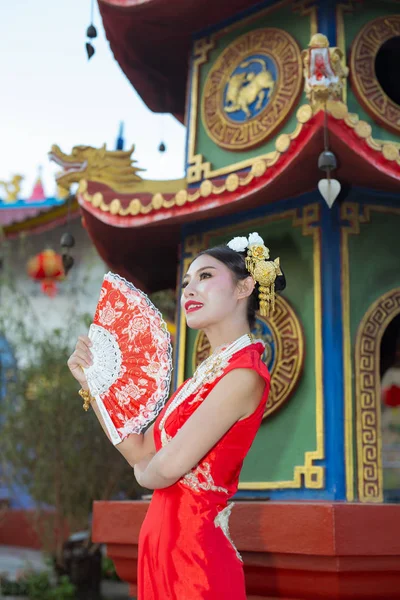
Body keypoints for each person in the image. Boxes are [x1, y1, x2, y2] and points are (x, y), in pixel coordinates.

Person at [67, 232, 286, 600]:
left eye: (205, 276)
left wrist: (145, 472)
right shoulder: (197, 381)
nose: (188, 290)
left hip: (197, 559)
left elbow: (161, 471)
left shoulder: (243, 375)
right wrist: (94, 383)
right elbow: (139, 450)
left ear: (244, 287)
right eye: (185, 282)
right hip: (163, 547)